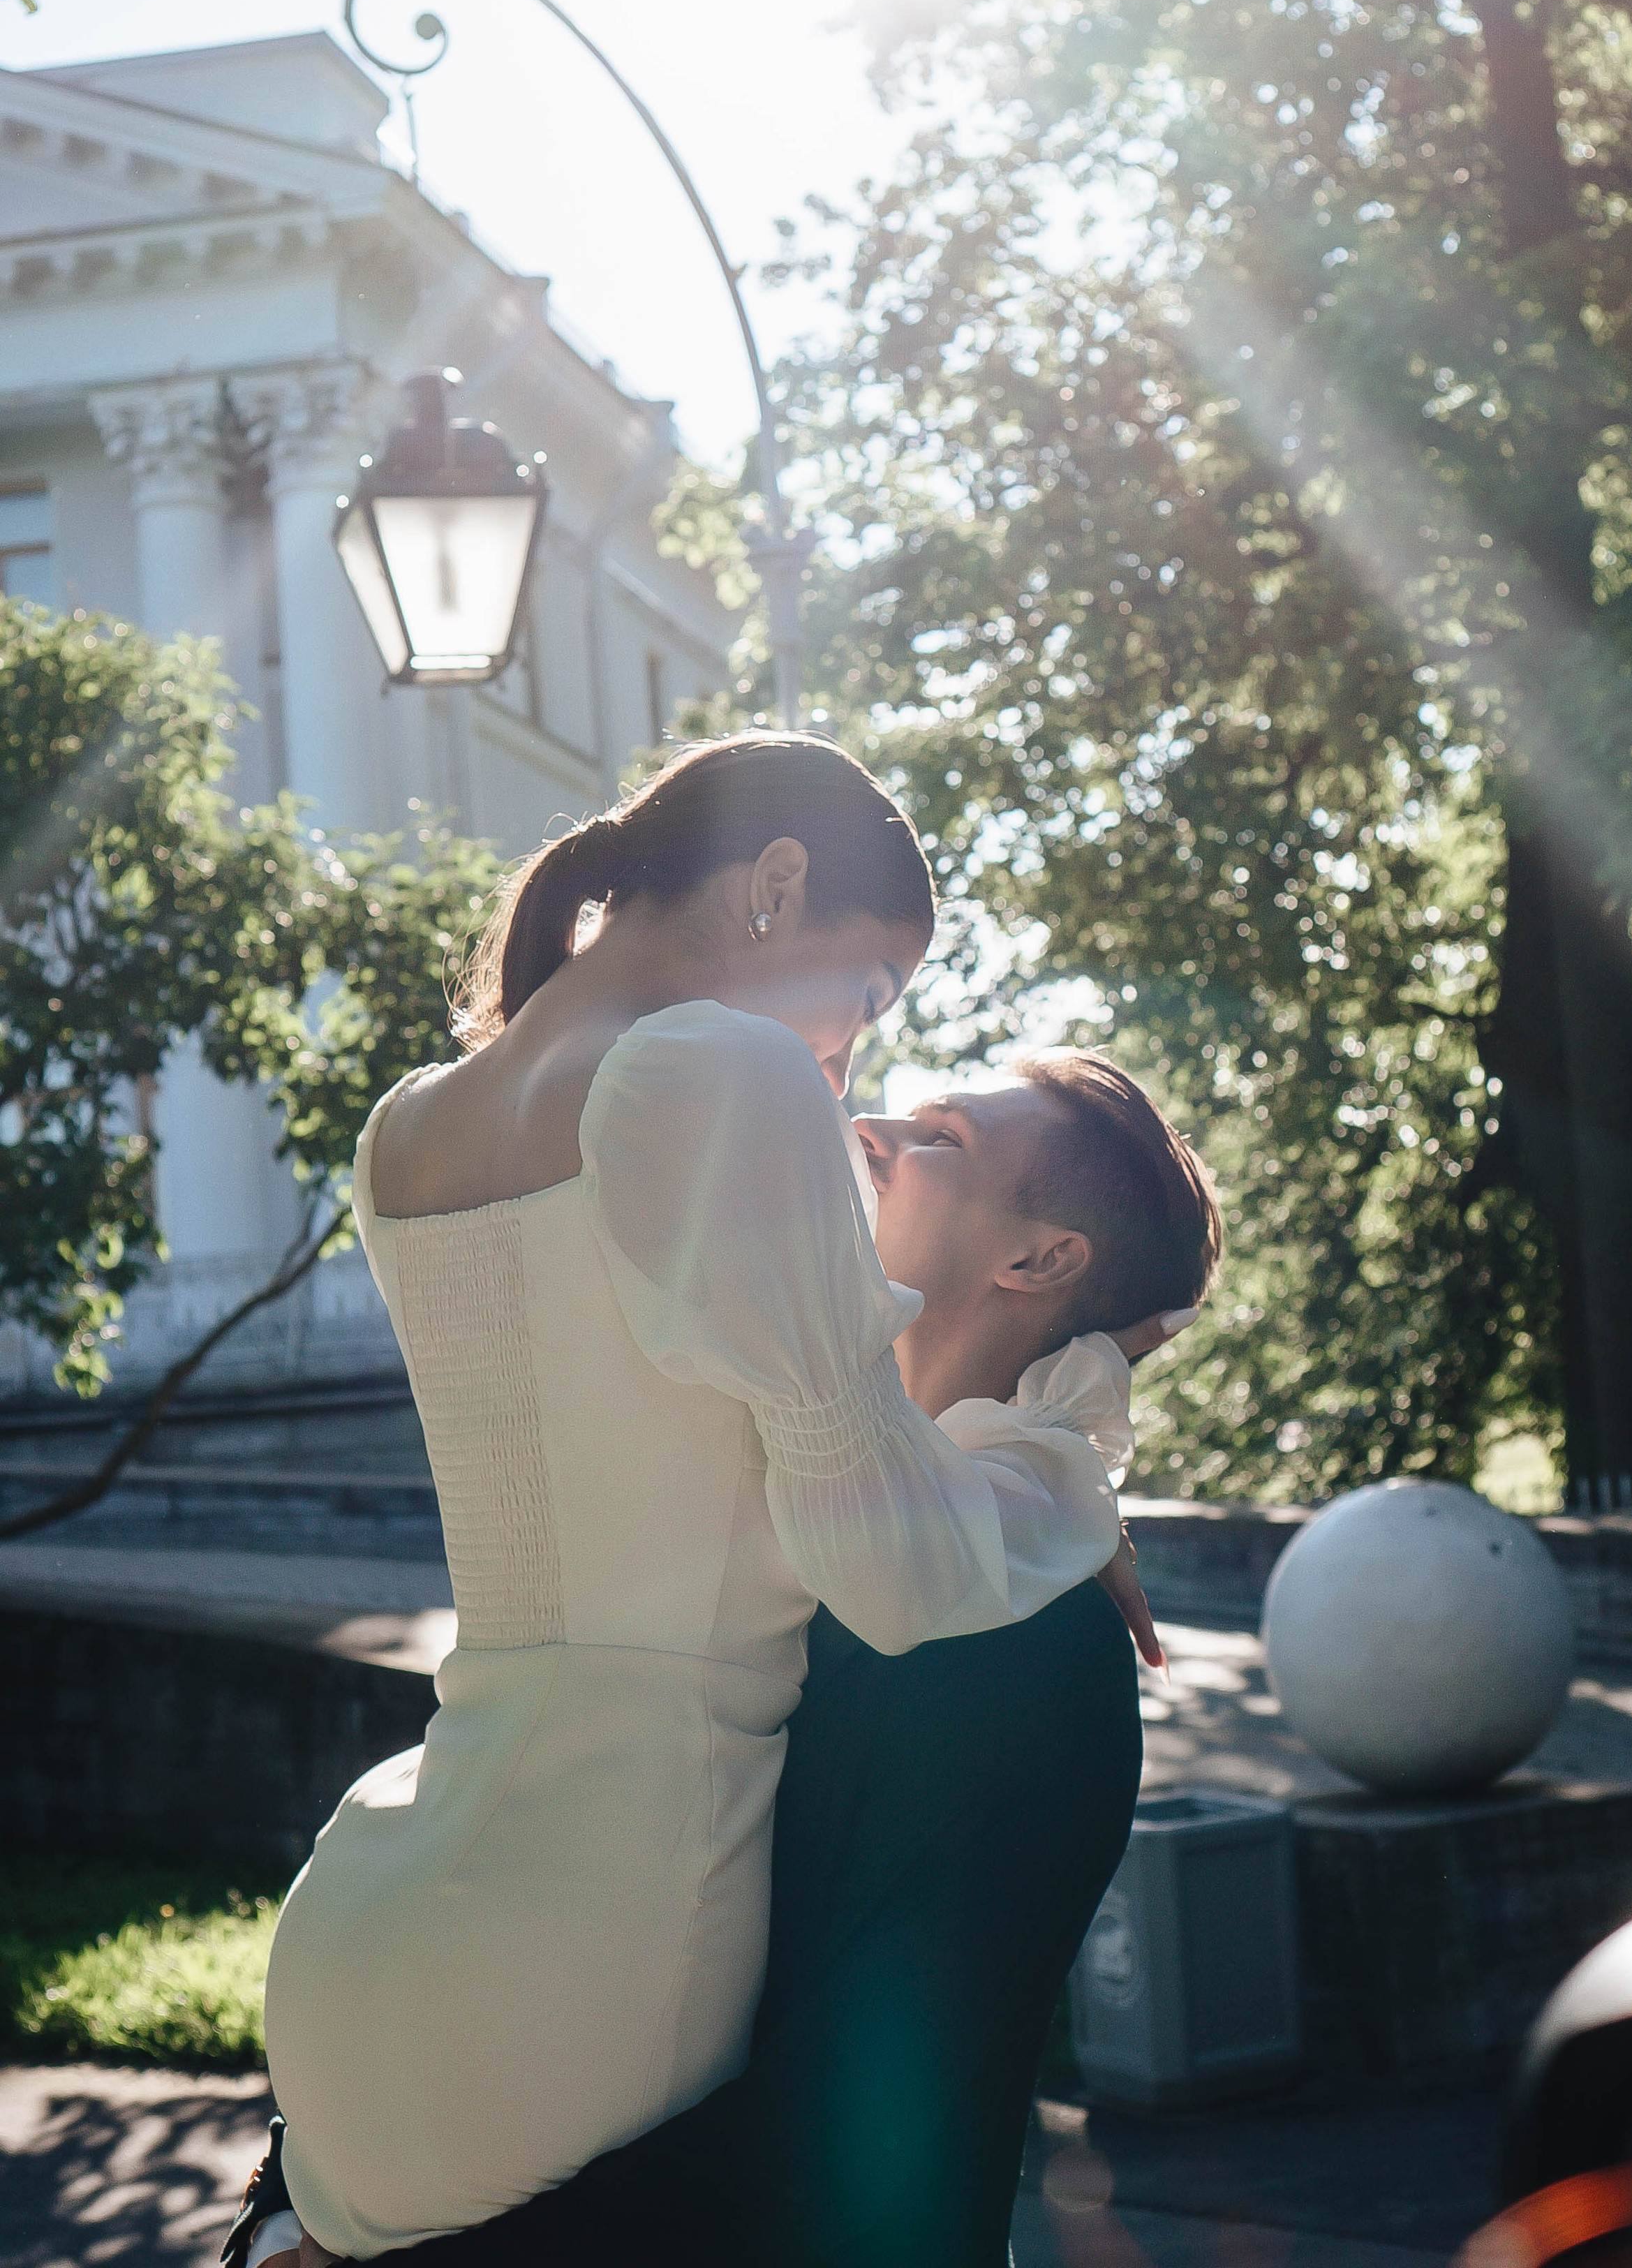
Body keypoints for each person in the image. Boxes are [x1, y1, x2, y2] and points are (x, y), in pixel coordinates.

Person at [253, 734, 1151, 2265]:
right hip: (601, 1924)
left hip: (366, 1931)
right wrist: (1062, 1471)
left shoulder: (408, 1121)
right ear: (776, 883)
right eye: (867, 995)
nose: (849, 1064)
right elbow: (888, 1568)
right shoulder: (716, 1069)